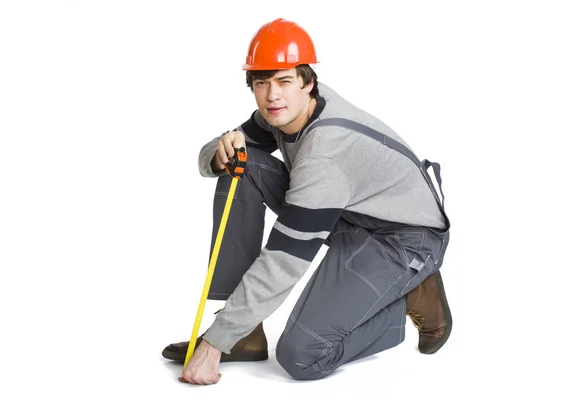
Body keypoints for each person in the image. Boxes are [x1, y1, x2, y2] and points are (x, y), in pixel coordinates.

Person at [167, 18, 453, 385]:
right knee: (242, 164)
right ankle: (244, 331)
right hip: (353, 215)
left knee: (302, 356)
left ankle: (410, 294)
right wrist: (219, 150)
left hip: (404, 238)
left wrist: (213, 344)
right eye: (262, 84)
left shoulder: (325, 154)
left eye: (284, 81)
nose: (273, 95)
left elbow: (285, 260)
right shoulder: (284, 111)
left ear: (307, 82)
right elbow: (224, 149)